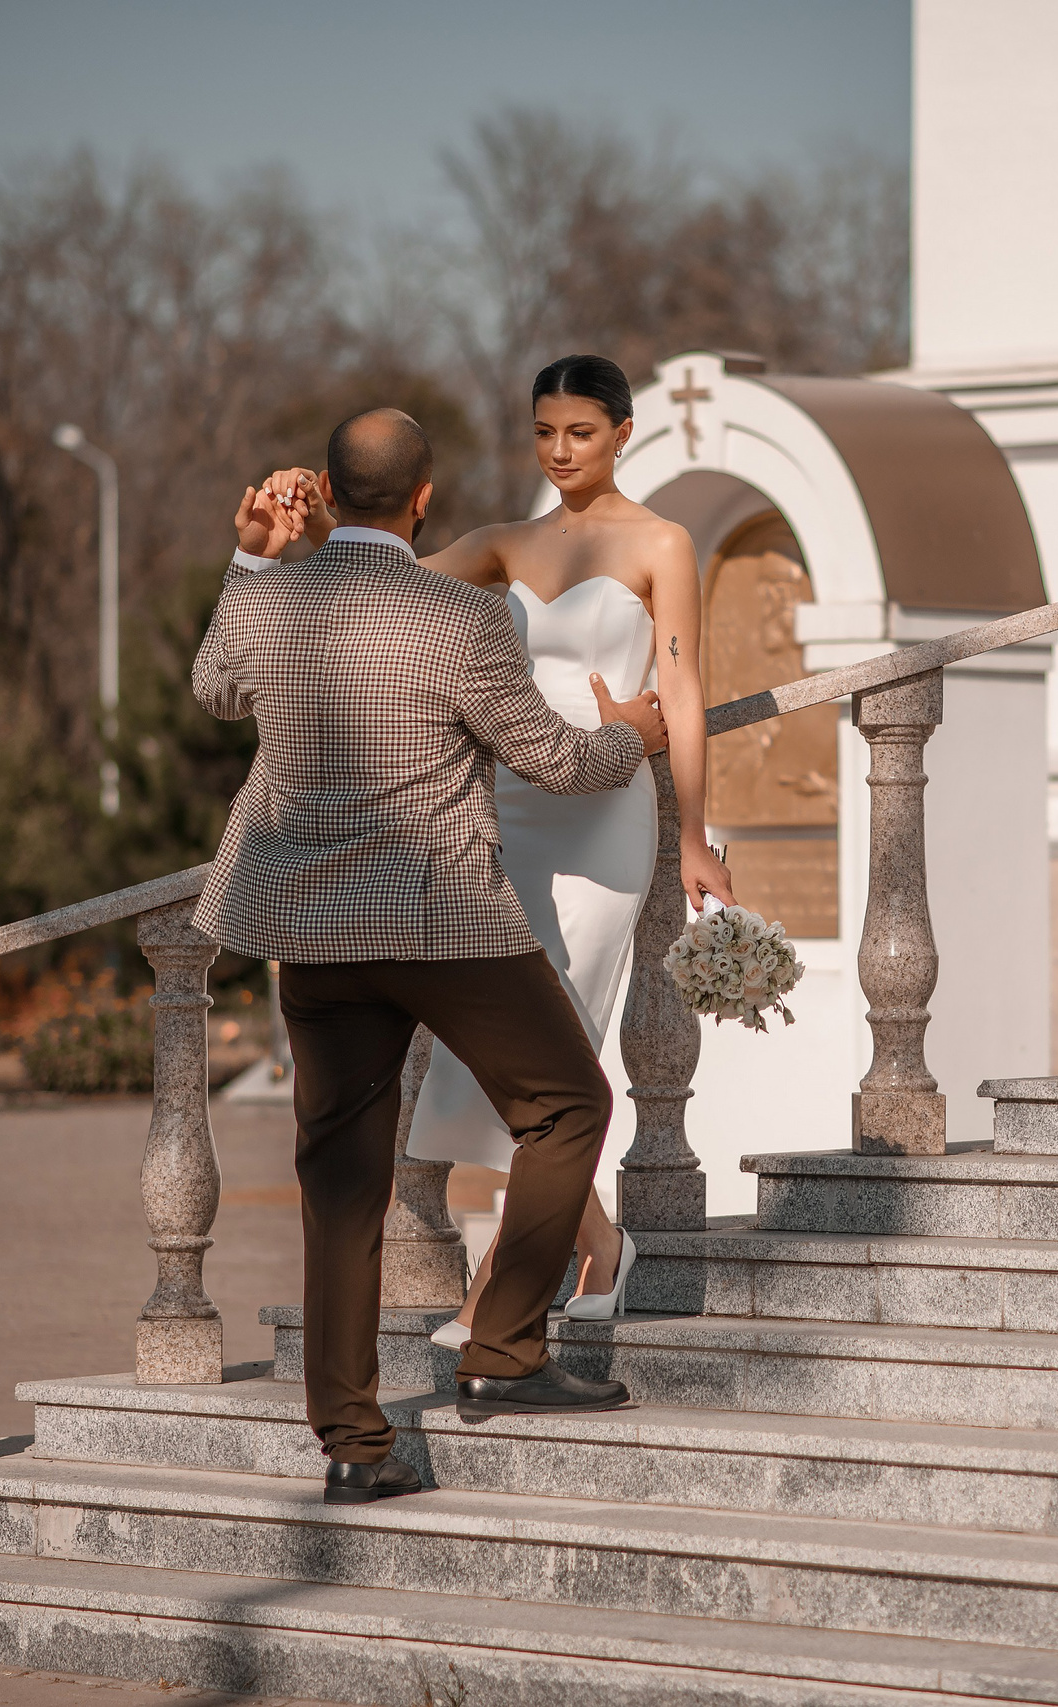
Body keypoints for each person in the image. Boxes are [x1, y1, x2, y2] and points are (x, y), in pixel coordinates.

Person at [194, 406, 668, 1507]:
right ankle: (505, 1350)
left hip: (310, 933)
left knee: (342, 1187)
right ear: (422, 500)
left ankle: (356, 1447)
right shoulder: (458, 616)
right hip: (439, 922)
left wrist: (251, 554)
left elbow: (214, 691)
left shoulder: (269, 599)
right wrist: (634, 737)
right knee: (566, 1108)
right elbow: (554, 760)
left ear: (324, 490)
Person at [261, 354, 736, 1348]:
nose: (561, 451)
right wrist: (304, 537)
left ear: (621, 432)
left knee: (563, 1039)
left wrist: (692, 832)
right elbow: (374, 587)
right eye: (544, 433)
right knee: (502, 1054)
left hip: (606, 812)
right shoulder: (501, 544)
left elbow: (682, 696)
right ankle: (598, 1246)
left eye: (581, 432)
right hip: (509, 811)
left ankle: (493, 1294)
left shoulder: (662, 543)